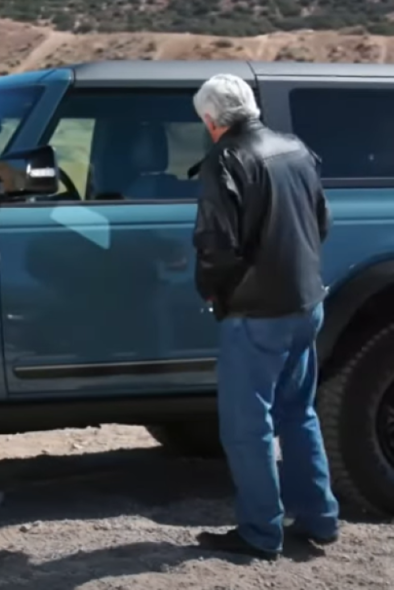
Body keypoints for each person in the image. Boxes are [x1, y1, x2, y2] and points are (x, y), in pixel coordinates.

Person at [189, 73, 339, 560]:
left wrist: (214, 294)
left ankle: (259, 533)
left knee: (247, 426)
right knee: (299, 413)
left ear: (212, 121)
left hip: (256, 313)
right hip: (305, 303)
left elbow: (216, 245)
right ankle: (319, 519)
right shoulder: (295, 148)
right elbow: (322, 222)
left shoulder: (226, 159)